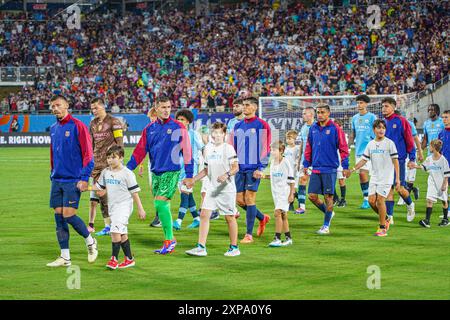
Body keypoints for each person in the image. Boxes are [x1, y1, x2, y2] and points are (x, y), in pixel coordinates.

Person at [126, 95, 193, 255]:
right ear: (156, 109)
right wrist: (127, 169)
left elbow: (188, 151)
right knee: (163, 206)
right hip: (155, 172)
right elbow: (140, 151)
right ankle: (170, 239)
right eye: (163, 107)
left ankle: (169, 240)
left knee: (160, 204)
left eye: (169, 107)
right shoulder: (149, 129)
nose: (166, 110)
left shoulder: (178, 127)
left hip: (171, 171)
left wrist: (189, 174)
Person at [46, 95, 98, 267]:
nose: (55, 108)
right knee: (59, 216)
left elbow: (89, 156)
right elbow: (53, 153)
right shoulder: (53, 128)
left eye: (58, 105)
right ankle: (65, 257)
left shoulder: (78, 126)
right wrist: (52, 172)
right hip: (57, 179)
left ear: (67, 105)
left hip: (73, 180)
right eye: (52, 106)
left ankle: (90, 241)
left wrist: (84, 178)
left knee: (69, 215)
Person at [184, 122, 240, 257]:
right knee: (204, 215)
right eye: (214, 133)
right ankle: (201, 247)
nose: (217, 135)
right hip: (211, 188)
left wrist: (226, 175)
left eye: (220, 133)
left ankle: (234, 247)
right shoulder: (208, 149)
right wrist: (193, 179)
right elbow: (206, 170)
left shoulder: (228, 148)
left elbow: (235, 167)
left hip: (226, 189)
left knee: (230, 218)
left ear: (224, 134)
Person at [89, 145, 146, 269]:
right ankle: (129, 259)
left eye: (113, 157)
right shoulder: (106, 172)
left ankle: (113, 259)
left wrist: (140, 209)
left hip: (124, 206)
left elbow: (134, 193)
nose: (110, 160)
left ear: (121, 158)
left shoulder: (127, 173)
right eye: (108, 158)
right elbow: (99, 187)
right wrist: (86, 188)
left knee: (114, 231)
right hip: (113, 207)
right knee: (122, 233)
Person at [303, 103, 350, 235]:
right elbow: (308, 147)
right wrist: (306, 164)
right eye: (318, 112)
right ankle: (329, 212)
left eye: (322, 112)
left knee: (328, 197)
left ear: (328, 113)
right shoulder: (313, 128)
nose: (320, 115)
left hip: (329, 168)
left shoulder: (335, 128)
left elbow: (343, 148)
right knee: (312, 196)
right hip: (316, 168)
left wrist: (345, 166)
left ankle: (326, 226)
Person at [232, 96, 271, 243]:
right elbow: (234, 148)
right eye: (243, 105)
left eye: (247, 105)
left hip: (253, 168)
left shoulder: (262, 125)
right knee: (239, 200)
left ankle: (249, 235)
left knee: (249, 199)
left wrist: (261, 167)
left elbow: (266, 148)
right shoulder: (238, 126)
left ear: (255, 107)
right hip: (240, 168)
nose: (244, 107)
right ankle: (262, 217)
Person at [351, 119, 400, 237]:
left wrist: (397, 178)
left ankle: (382, 228)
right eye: (379, 128)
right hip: (374, 177)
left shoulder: (390, 143)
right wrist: (353, 169)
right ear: (374, 130)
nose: (381, 130)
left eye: (383, 128)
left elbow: (396, 162)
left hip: (386, 178)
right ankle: (387, 218)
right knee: (371, 201)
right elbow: (363, 160)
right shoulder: (371, 144)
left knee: (380, 200)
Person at [88, 98, 124, 235]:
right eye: (92, 108)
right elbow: (91, 144)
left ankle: (116, 224)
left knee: (111, 196)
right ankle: (108, 225)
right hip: (96, 165)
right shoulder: (92, 123)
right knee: (101, 195)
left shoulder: (114, 122)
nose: (94, 111)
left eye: (96, 108)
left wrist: (118, 162)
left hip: (109, 165)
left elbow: (120, 144)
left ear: (103, 107)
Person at [382, 97, 416, 224]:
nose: (383, 109)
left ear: (393, 107)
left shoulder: (401, 121)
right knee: (388, 188)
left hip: (399, 160)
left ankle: (410, 204)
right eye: (383, 106)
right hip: (385, 161)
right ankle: (390, 216)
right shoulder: (382, 123)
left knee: (399, 188)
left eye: (386, 106)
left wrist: (412, 158)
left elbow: (409, 139)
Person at [173, 109, 204, 230]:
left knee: (185, 194)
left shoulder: (193, 134)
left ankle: (179, 221)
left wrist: (204, 163)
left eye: (182, 120)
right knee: (187, 194)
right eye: (178, 119)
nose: (180, 121)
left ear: (188, 122)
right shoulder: (175, 134)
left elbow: (202, 148)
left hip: (190, 168)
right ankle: (196, 219)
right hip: (178, 168)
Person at [349, 94, 377, 209]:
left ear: (366, 104)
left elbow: (377, 132)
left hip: (371, 151)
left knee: (366, 174)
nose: (359, 105)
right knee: (362, 175)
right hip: (359, 151)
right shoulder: (355, 118)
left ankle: (370, 198)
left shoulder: (372, 117)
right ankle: (367, 198)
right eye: (357, 103)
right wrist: (347, 146)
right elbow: (353, 134)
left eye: (361, 103)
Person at [414, 139, 450, 228]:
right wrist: (415, 166)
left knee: (444, 200)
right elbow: (424, 167)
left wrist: (445, 184)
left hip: (441, 184)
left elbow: (447, 173)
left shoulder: (443, 160)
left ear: (434, 147)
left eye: (430, 146)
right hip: (432, 183)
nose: (428, 148)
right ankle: (427, 221)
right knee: (429, 200)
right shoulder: (429, 158)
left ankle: (445, 219)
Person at [267, 141, 295, 247]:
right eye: (271, 150)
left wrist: (291, 194)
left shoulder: (286, 162)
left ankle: (277, 238)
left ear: (281, 151)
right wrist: (263, 176)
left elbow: (291, 179)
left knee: (277, 213)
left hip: (284, 192)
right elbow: (273, 176)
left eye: (274, 150)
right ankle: (288, 238)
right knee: (283, 215)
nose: (272, 152)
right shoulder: (272, 163)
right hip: (276, 193)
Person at [138, 107, 162, 228]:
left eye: (153, 117)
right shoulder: (148, 130)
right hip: (151, 164)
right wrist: (141, 165)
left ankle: (160, 217)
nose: (151, 119)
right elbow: (143, 149)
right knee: (154, 190)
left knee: (160, 191)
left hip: (162, 164)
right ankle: (159, 216)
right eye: (150, 117)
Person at [398, 117, 423, 205]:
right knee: (402, 176)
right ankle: (403, 196)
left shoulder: (409, 123)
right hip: (401, 153)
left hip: (411, 153)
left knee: (410, 178)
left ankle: (408, 192)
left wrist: (420, 152)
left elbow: (416, 139)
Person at [295, 107, 315, 214]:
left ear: (311, 114)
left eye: (304, 113)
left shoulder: (316, 127)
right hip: (305, 160)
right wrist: (299, 161)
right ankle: (301, 206)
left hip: (315, 161)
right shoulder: (303, 127)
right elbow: (302, 145)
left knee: (320, 186)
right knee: (302, 180)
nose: (302, 115)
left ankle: (333, 200)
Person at [333, 119, 348, 208]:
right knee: (331, 181)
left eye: (338, 126)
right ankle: (335, 198)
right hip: (332, 161)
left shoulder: (343, 136)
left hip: (341, 161)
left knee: (341, 180)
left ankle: (343, 199)